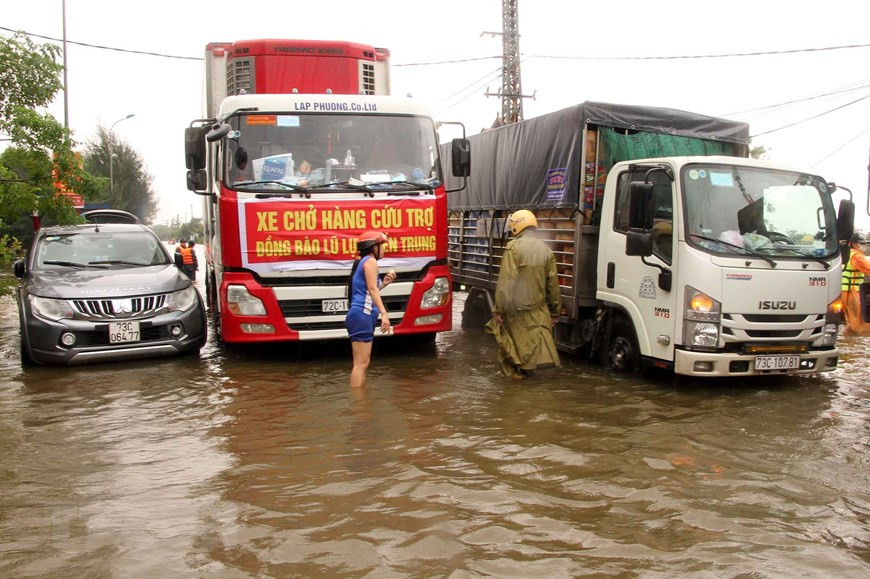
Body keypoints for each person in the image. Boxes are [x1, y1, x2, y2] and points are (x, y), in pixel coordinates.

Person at [487, 210, 561, 378]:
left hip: (516, 314)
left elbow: (507, 282)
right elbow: (553, 285)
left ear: (516, 226)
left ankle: (517, 391)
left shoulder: (513, 248)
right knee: (534, 357)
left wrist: (499, 309)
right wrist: (555, 312)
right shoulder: (546, 250)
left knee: (515, 355)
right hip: (539, 312)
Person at [345, 231, 396, 388]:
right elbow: (372, 290)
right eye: (382, 246)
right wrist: (384, 314)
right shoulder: (371, 262)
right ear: (374, 247)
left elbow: (368, 291)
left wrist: (385, 283)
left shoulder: (363, 262)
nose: (384, 250)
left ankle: (360, 401)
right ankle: (359, 406)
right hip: (362, 315)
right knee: (361, 365)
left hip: (359, 315)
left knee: (361, 364)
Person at [840, 232, 870, 335]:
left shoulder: (846, 254)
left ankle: (845, 341)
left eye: (865, 243)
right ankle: (852, 344)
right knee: (859, 322)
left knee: (852, 321)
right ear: (853, 244)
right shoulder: (857, 256)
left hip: (845, 292)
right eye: (861, 243)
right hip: (853, 293)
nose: (864, 245)